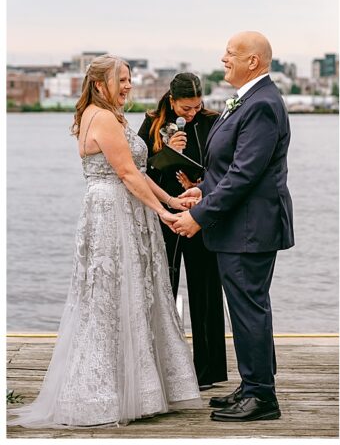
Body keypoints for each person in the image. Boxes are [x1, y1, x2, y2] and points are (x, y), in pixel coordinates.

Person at [8, 55, 201, 428]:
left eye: (130, 79)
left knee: (131, 294)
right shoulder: (104, 117)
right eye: (122, 80)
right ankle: (103, 393)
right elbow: (128, 174)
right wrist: (164, 214)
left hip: (123, 206)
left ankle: (140, 387)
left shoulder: (106, 114)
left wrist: (173, 201)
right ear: (100, 84)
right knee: (111, 297)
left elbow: (138, 173)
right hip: (113, 211)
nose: (128, 85)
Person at [171, 32, 294, 423]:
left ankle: (261, 396)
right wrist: (200, 192)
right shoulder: (248, 100)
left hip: (249, 227)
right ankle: (251, 384)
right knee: (245, 309)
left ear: (253, 61)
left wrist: (198, 216)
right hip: (241, 225)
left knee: (249, 309)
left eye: (231, 53)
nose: (223, 58)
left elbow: (244, 175)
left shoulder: (261, 104)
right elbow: (225, 170)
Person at [138, 72, 227, 391]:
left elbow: (225, 166)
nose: (191, 113)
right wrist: (166, 151)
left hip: (202, 214)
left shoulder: (213, 121)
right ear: (172, 101)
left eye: (196, 107)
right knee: (164, 287)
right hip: (166, 215)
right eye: (186, 108)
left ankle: (209, 370)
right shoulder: (151, 125)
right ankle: (164, 367)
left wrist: (201, 186)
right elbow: (139, 172)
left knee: (205, 290)